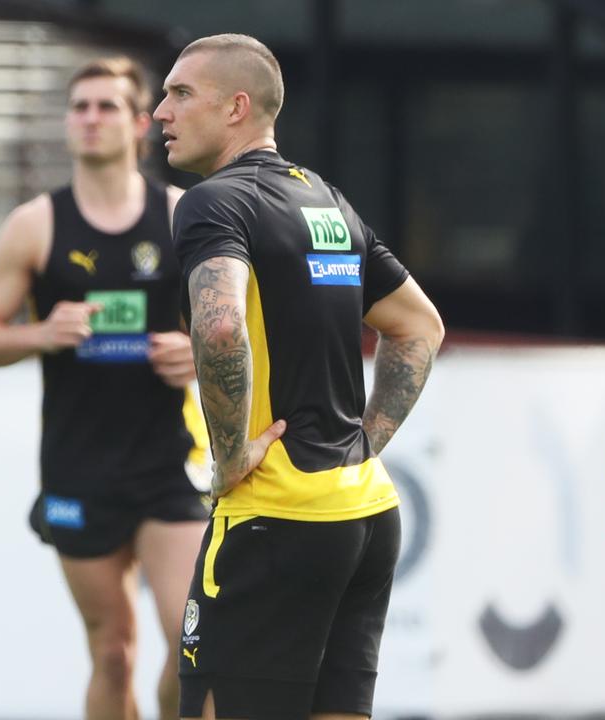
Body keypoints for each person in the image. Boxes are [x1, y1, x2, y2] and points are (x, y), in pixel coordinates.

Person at [152, 33, 444, 720]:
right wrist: (364, 442)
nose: (160, 112)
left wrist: (228, 459)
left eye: (180, 93)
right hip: (365, 514)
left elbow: (219, 327)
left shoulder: (212, 203)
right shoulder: (325, 201)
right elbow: (419, 325)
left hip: (273, 519)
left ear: (236, 108)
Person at [0, 57, 210, 719]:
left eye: (106, 107)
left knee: (197, 655)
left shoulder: (181, 214)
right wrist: (39, 334)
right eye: (80, 108)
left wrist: (199, 355)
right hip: (79, 468)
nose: (90, 119)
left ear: (138, 125)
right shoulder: (35, 224)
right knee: (113, 652)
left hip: (169, 464)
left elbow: (237, 334)